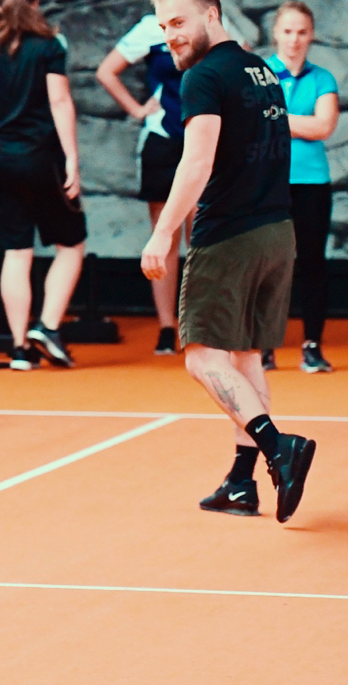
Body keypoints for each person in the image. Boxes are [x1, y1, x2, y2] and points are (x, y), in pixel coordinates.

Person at [141, 0, 315, 523]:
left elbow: (198, 160)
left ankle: (277, 446)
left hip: (230, 237)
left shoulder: (203, 76)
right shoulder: (260, 69)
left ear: (211, 15)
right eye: (163, 25)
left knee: (201, 357)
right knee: (243, 359)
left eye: (178, 22)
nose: (170, 35)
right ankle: (241, 483)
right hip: (276, 232)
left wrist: (163, 232)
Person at [96, 10, 247, 355]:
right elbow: (106, 71)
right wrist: (137, 109)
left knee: (204, 234)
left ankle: (204, 324)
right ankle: (168, 327)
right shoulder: (151, 29)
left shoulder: (214, 27)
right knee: (165, 236)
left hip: (206, 138)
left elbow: (240, 64)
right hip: (164, 141)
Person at [0, 0, 86, 371]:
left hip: (0, 161)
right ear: (36, 3)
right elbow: (59, 100)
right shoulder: (49, 46)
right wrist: (71, 158)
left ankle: (20, 348)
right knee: (72, 244)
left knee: (16, 253)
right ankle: (48, 327)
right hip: (41, 160)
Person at [263, 1, 339, 373]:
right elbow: (247, 123)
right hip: (266, 183)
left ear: (311, 36)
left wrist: (274, 117)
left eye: (302, 32)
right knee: (266, 266)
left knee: (312, 264)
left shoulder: (323, 78)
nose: (294, 40)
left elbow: (324, 127)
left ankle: (311, 346)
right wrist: (299, 122)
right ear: (276, 33)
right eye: (288, 31)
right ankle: (263, 346)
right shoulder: (259, 74)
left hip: (311, 184)